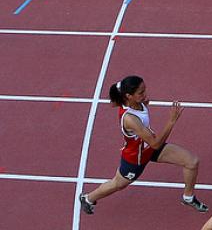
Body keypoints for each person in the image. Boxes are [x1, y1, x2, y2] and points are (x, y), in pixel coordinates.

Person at [78, 75, 205, 215]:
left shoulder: (138, 102)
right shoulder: (130, 119)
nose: (145, 95)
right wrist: (172, 121)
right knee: (117, 184)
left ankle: (188, 197)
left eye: (144, 90)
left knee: (192, 162)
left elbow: (152, 142)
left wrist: (144, 103)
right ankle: (88, 198)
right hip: (135, 159)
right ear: (129, 96)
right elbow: (156, 144)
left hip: (148, 146)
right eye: (141, 93)